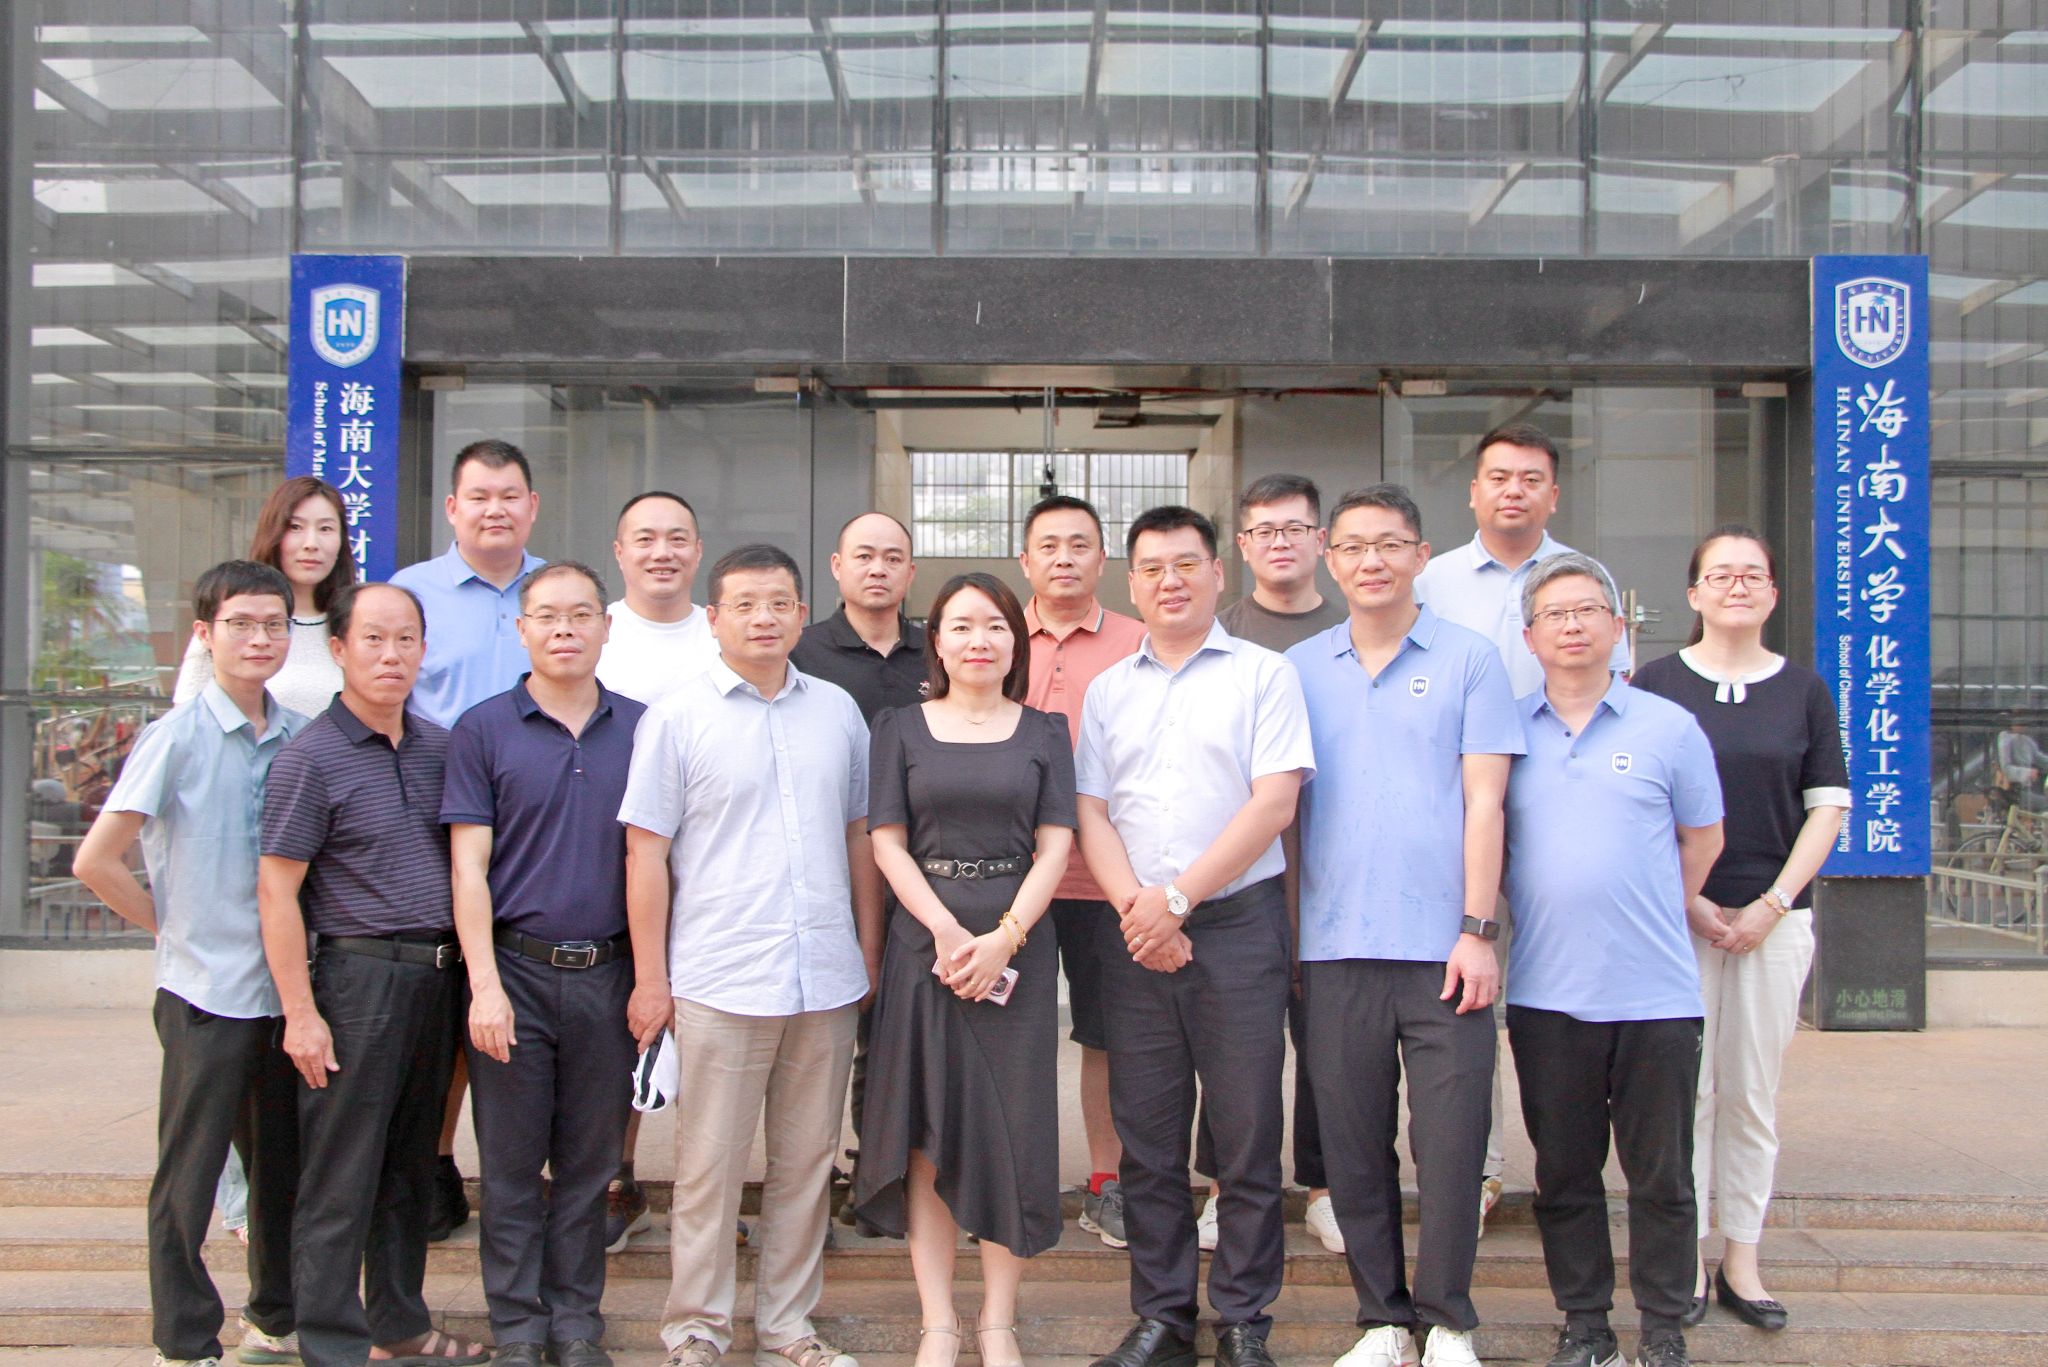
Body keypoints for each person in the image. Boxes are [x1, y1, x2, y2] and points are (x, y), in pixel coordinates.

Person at [620, 544, 884, 1367]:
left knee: (805, 1167)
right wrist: (652, 979)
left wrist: (868, 947)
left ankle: (786, 1328)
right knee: (708, 1168)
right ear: (714, 618)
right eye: (744, 604)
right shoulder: (675, 717)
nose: (763, 618)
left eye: (778, 603)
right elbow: (645, 853)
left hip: (824, 977)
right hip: (719, 978)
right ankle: (697, 1329)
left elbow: (860, 835)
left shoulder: (838, 712)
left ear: (802, 614)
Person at [1289, 487, 1523, 1367]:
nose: (1371, 561)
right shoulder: (1299, 668)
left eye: (1390, 544)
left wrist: (1478, 927)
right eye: (1353, 546)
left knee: (1453, 1141)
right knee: (1353, 1143)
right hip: (1334, 945)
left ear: (1422, 555)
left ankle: (1448, 1318)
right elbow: (1282, 808)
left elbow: (1486, 800)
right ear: (1330, 558)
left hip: (1445, 948)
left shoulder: (1470, 659)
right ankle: (1382, 1319)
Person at [1076, 507, 1314, 1367]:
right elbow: (1091, 810)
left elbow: (1274, 803)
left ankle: (1244, 1317)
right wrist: (1142, 911)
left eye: (1186, 563)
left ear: (1219, 572)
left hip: (1238, 925)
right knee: (1147, 1136)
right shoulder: (1109, 689)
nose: (1169, 581)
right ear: (1132, 583)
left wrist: (1178, 899)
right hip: (1135, 931)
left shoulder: (1265, 675)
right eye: (1151, 567)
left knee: (1246, 1133)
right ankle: (1163, 1315)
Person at [74, 559, 309, 1367]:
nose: (259, 638)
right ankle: (183, 1340)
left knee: (280, 1171)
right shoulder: (173, 737)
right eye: (240, 623)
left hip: (285, 995)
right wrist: (168, 929)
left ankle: (275, 1319)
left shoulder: (301, 735)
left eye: (273, 624)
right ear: (205, 634)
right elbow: (96, 860)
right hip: (205, 994)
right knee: (191, 1176)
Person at [258, 582, 487, 1367]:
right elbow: (277, 891)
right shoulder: (310, 758)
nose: (391, 655)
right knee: (340, 1171)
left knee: (409, 1164)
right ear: (339, 649)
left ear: (424, 650)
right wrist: (300, 1012)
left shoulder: (442, 749)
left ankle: (399, 1322)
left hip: (436, 979)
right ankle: (331, 1340)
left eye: (406, 640)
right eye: (374, 639)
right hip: (356, 983)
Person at [1504, 553, 1725, 1367]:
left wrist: (1650, 903)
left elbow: (1704, 838)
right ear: (1530, 636)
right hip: (1547, 993)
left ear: (1618, 627)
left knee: (1662, 1174)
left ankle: (1663, 1325)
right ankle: (1586, 1322)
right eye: (1554, 614)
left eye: (1587, 609)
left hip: (1655, 994)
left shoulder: (1669, 727)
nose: (1572, 624)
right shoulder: (1505, 733)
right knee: (1564, 1172)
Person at [853, 572, 1077, 1367]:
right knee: (928, 1133)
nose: (979, 640)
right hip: (928, 947)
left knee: (1012, 1130)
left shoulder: (1046, 730)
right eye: (961, 625)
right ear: (937, 642)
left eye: (995, 625)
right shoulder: (898, 727)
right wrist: (946, 930)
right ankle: (939, 1321)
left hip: (1017, 942)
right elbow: (886, 840)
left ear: (1016, 642)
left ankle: (998, 1321)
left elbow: (1057, 843)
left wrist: (1005, 937)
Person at [1413, 422, 1628, 1236]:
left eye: (1530, 478)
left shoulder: (1585, 579)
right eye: (1498, 476)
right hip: (1461, 810)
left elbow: (1614, 692)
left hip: (1559, 808)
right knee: (1467, 985)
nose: (1513, 490)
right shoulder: (1432, 580)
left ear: (1553, 494)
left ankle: (1569, 1169)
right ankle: (1479, 1168)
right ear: (1473, 491)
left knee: (1554, 989)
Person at [1632, 528, 1849, 1333]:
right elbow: (1639, 803)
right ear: (1693, 594)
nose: (1736, 585)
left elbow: (1826, 805)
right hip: (1676, 919)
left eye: (1752, 574)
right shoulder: (1655, 684)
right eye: (1719, 574)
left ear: (1772, 593)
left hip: (1774, 919)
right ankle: (1683, 1255)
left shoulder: (1803, 690)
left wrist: (1775, 902)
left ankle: (1742, 1257)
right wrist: (1689, 896)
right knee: (1684, 1093)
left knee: (1752, 1092)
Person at [444, 562, 646, 1367]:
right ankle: (519, 1329)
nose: (565, 629)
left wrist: (653, 980)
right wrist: (484, 986)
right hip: (515, 973)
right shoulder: (482, 729)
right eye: (548, 615)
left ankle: (576, 1321)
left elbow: (656, 863)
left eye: (581, 614)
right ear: (521, 628)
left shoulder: (643, 728)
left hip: (609, 974)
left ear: (607, 626)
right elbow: (468, 869)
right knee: (511, 1165)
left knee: (591, 1164)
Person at [390, 438, 545, 1240]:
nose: (495, 509)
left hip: (537, 828)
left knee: (524, 999)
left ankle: (520, 1171)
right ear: (452, 508)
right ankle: (434, 1160)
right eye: (479, 496)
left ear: (532, 506)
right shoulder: (408, 595)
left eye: (509, 495)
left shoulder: (555, 591)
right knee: (444, 1005)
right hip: (429, 824)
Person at [1200, 474, 1346, 1257]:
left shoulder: (1356, 626)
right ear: (1242, 546)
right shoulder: (1219, 633)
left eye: (1295, 528)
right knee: (1237, 1037)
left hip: (1337, 857)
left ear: (1321, 540)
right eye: (1264, 530)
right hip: (1244, 864)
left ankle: (1324, 1185)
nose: (1280, 542)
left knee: (1329, 1033)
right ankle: (1226, 1185)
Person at [591, 490, 723, 1252]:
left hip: (711, 863)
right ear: (620, 551)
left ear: (698, 550)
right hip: (608, 854)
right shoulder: (599, 631)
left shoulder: (720, 632)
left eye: (677, 538)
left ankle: (706, 1193)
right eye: (645, 538)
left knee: (710, 1028)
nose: (661, 552)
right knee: (625, 1019)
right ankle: (616, 1177)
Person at [1017, 494, 1147, 1250]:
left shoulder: (1140, 640)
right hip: (1016, 878)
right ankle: (1014, 1176)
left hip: (1112, 880)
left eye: (1079, 544)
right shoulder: (995, 635)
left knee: (1111, 1035)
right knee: (1014, 1033)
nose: (1063, 557)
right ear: (1025, 560)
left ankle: (1109, 1181)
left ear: (1104, 560)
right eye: (1048, 545)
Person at [174, 477, 352, 718]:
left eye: (326, 529)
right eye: (295, 527)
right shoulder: (228, 622)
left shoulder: (354, 622)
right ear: (273, 534)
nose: (311, 544)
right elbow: (185, 719)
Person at [791, 512, 926, 721]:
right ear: (837, 566)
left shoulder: (939, 653)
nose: (878, 570)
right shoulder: (797, 652)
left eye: (893, 559)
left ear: (910, 573)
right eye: (864, 557)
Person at [1995, 715, 2048, 813]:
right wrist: (2028, 773)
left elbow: (2041, 759)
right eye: (2019, 724)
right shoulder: (2005, 738)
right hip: (2012, 791)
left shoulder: (2026, 741)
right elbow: (2006, 768)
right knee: (2046, 804)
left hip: (2027, 789)